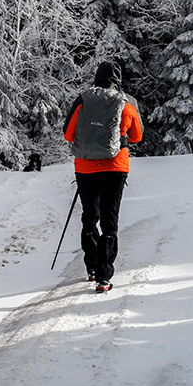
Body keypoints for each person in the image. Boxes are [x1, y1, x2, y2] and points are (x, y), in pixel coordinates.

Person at [62, 62, 143, 292]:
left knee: (90, 218)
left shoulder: (83, 100)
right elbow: (137, 136)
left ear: (96, 78)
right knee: (110, 221)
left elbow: (68, 133)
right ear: (117, 79)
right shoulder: (126, 102)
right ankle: (104, 276)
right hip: (115, 167)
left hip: (86, 168)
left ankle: (91, 267)